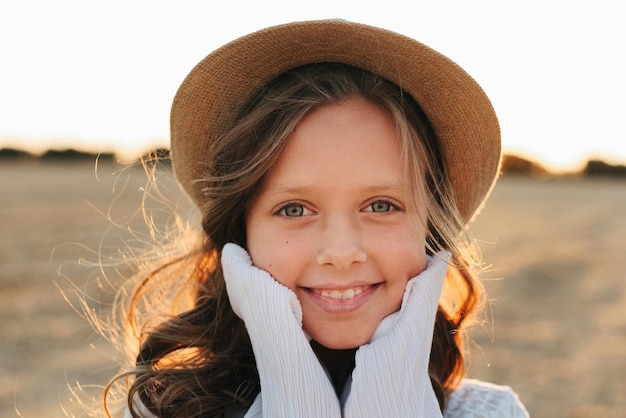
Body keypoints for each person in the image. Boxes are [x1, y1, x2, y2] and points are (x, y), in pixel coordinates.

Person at [103, 20, 528, 417]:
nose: (340, 253)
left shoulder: (492, 412)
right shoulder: (159, 411)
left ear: (431, 231)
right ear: (241, 234)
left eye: (381, 205)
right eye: (294, 209)